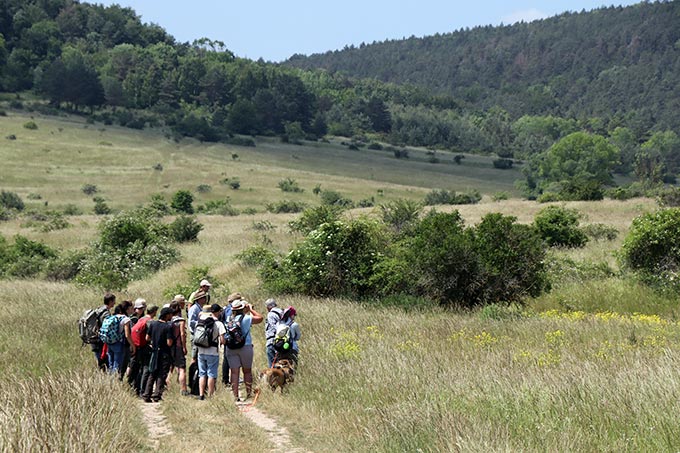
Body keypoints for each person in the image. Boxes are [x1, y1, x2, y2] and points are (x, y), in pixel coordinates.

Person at [226, 298, 263, 402]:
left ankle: (235, 396)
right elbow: (260, 318)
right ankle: (248, 393)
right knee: (247, 371)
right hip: (245, 346)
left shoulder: (229, 318)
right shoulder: (246, 318)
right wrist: (251, 309)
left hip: (231, 347)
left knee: (234, 372)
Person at [142, 307, 174, 403]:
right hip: (164, 353)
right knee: (161, 374)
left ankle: (147, 394)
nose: (171, 316)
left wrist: (154, 342)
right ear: (167, 315)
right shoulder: (168, 327)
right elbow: (169, 343)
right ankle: (157, 395)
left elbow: (147, 338)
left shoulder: (153, 324)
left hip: (154, 352)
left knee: (152, 373)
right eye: (170, 314)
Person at [196, 303, 226, 400]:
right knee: (211, 374)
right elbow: (222, 340)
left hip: (200, 351)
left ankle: (201, 395)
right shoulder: (219, 324)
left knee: (202, 374)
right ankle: (210, 395)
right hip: (212, 352)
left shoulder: (199, 322)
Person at [132, 305, 157, 396]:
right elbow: (150, 335)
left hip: (136, 346)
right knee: (146, 368)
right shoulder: (149, 321)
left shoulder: (141, 319)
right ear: (154, 312)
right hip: (143, 347)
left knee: (139, 368)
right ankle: (143, 390)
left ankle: (136, 388)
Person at [107, 300, 134, 376]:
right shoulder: (125, 319)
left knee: (111, 365)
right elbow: (127, 335)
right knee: (117, 366)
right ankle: (115, 383)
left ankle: (109, 383)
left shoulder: (113, 316)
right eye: (131, 308)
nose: (132, 310)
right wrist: (133, 346)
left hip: (110, 343)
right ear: (127, 309)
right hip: (119, 344)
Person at [167, 300, 189, 396]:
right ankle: (183, 389)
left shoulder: (168, 321)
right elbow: (182, 334)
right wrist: (184, 346)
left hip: (169, 346)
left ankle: (168, 386)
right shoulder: (181, 321)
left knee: (170, 368)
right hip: (178, 346)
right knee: (182, 369)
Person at [92, 292, 116, 371]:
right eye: (113, 301)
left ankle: (101, 373)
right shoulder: (106, 313)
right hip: (99, 340)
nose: (114, 303)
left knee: (100, 359)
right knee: (103, 360)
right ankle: (103, 375)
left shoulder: (99, 309)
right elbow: (106, 327)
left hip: (94, 338)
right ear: (110, 301)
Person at [221, 292, 240, 387]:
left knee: (226, 357)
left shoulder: (225, 309)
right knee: (234, 357)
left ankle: (225, 378)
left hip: (226, 336)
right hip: (234, 336)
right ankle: (232, 378)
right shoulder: (233, 310)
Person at [188, 290, 210, 365]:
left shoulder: (201, 308)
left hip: (200, 334)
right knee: (194, 356)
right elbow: (191, 322)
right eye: (203, 297)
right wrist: (201, 323)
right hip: (195, 334)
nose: (205, 299)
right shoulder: (194, 308)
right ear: (199, 299)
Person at [264, 298, 284, 367]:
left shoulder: (270, 314)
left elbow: (273, 327)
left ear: (268, 307)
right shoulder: (282, 312)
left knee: (272, 366)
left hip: (272, 342)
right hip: (283, 342)